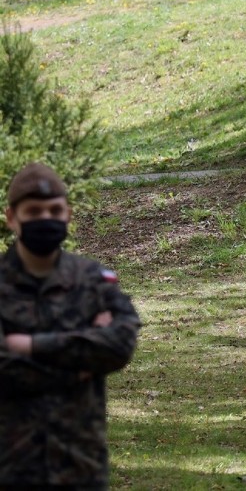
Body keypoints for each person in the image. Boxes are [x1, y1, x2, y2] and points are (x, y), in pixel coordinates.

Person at [0, 163, 141, 489]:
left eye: (54, 209)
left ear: (68, 214)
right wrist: (80, 364)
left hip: (80, 466)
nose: (45, 218)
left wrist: (31, 346)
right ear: (12, 218)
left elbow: (120, 344)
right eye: (34, 210)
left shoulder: (94, 281)